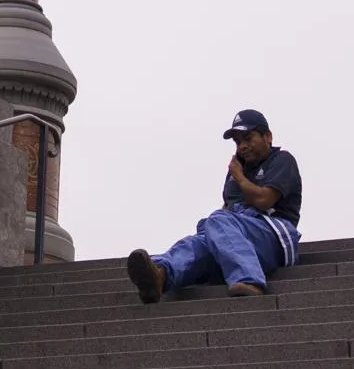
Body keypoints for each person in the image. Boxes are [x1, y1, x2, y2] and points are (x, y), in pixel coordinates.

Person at [125, 109, 302, 302]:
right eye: (237, 142)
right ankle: (161, 275)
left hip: (274, 236)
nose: (242, 146)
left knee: (218, 220)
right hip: (239, 236)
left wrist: (239, 177)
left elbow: (264, 200)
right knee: (197, 241)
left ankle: (249, 279)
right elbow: (229, 208)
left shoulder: (282, 160)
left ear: (267, 136)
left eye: (248, 138)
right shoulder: (238, 169)